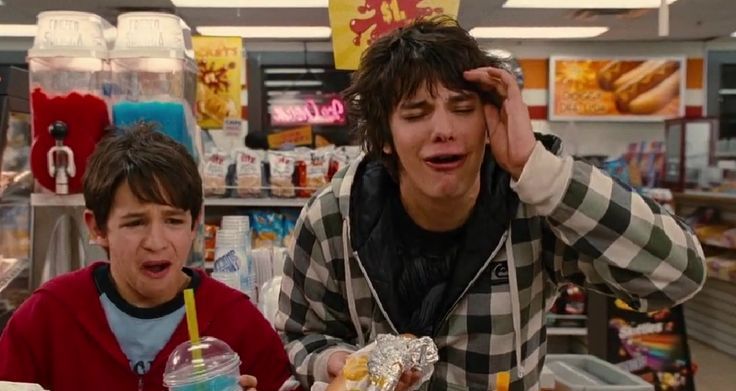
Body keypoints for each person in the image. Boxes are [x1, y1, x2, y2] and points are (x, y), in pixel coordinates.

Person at [275, 17, 706, 391]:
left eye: (463, 108)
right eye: (415, 113)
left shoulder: (533, 208)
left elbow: (678, 275)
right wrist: (340, 364)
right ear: (385, 137)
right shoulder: (334, 217)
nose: (443, 129)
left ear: (488, 121)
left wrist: (540, 170)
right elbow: (301, 335)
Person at [0, 124, 298, 391]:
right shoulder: (49, 316)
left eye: (173, 221)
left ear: (195, 225)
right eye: (135, 222)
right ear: (98, 227)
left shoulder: (236, 321)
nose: (156, 243)